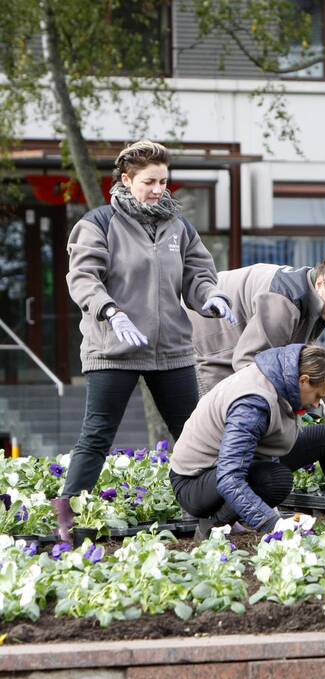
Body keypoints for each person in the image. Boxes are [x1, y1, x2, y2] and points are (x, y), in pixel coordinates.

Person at [56, 139, 237, 542]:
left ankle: (223, 509)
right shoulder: (98, 223)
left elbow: (197, 275)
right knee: (97, 433)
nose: (158, 190)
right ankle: (69, 517)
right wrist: (110, 311)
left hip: (170, 348)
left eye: (163, 182)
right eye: (149, 182)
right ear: (126, 180)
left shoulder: (179, 227)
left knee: (196, 431)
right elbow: (83, 278)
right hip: (113, 347)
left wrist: (211, 297)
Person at [169, 343, 325, 538]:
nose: (317, 403)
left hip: (232, 464)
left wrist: (303, 409)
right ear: (303, 380)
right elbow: (229, 477)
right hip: (195, 482)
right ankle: (213, 526)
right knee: (274, 480)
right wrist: (273, 525)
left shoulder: (281, 377)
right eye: (318, 395)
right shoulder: (252, 405)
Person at [188, 251, 325, 394]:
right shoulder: (284, 300)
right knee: (225, 406)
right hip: (206, 323)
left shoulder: (314, 293)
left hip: (232, 330)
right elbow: (248, 361)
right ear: (321, 284)